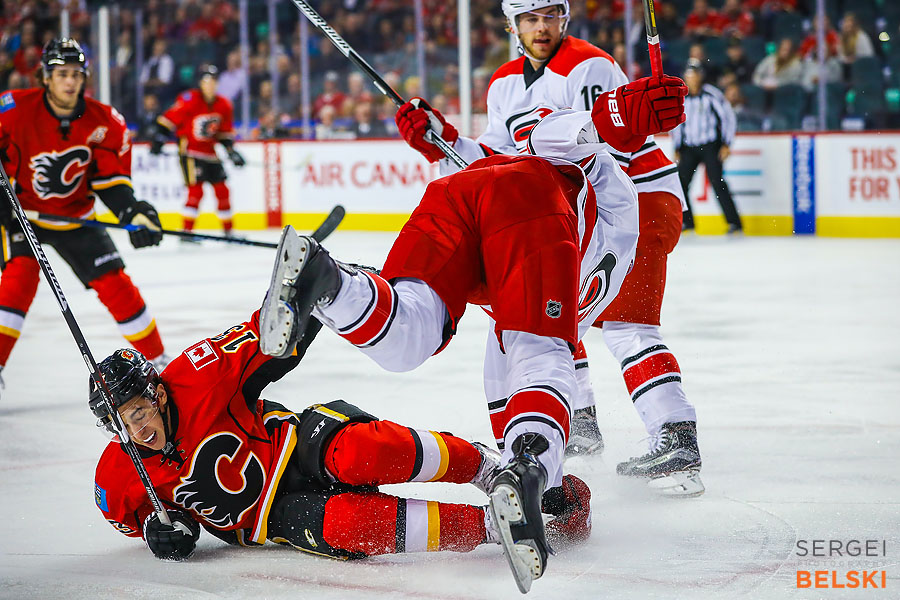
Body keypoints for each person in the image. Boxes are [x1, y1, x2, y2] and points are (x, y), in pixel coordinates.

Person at [258, 108, 645, 591]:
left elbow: (514, 397)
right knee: (543, 352)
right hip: (525, 201)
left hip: (458, 197)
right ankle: (529, 472)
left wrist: (443, 138)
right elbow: (556, 135)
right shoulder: (617, 199)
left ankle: (331, 283)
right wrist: (616, 113)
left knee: (411, 335)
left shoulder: (588, 267)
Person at [392, 0, 702, 499]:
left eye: (550, 15)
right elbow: (501, 158)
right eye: (530, 18)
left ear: (565, 17)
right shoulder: (504, 83)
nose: (542, 28)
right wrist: (441, 138)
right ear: (513, 25)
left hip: (632, 201)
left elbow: (610, 148)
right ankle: (578, 422)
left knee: (628, 326)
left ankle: (675, 433)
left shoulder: (589, 65)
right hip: (575, 213)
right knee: (555, 320)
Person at [90, 313, 591, 569]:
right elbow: (137, 520)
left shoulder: (197, 373)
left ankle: (487, 468)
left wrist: (310, 300)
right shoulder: (118, 473)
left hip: (293, 444)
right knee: (350, 523)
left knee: (362, 452)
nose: (136, 433)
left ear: (156, 393)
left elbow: (267, 336)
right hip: (269, 518)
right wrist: (164, 532)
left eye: (137, 413)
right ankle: (493, 525)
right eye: (121, 425)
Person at [0, 38, 168, 394]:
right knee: (19, 280)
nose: (70, 81)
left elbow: (111, 181)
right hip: (24, 217)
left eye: (76, 74)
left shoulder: (104, 121)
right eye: (61, 74)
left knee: (117, 287)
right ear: (46, 77)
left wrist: (131, 210)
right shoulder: (13, 110)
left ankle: (159, 363)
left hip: (78, 217)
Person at [150, 65, 245, 237]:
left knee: (222, 190)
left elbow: (223, 133)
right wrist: (159, 138)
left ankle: (229, 231)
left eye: (213, 82)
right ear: (200, 83)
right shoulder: (190, 100)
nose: (210, 86)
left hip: (210, 152)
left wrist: (231, 151)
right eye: (206, 82)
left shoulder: (224, 104)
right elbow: (168, 120)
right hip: (190, 153)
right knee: (196, 191)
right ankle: (186, 232)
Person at [672, 60, 742, 234]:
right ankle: (688, 221)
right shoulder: (681, 97)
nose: (692, 78)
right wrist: (677, 146)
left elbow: (728, 118)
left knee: (717, 182)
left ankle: (734, 222)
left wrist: (726, 143)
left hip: (710, 144)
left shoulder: (712, 95)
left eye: (694, 74)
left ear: (700, 76)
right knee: (680, 183)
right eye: (689, 74)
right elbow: (676, 123)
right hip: (689, 146)